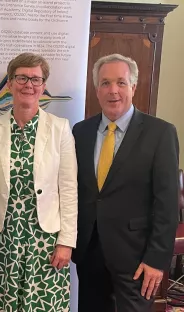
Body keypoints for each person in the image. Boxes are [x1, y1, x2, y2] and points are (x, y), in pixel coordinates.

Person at [72, 53, 179, 312]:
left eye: (121, 82)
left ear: (133, 87)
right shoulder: (81, 132)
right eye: (105, 83)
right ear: (97, 90)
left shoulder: (160, 133)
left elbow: (167, 203)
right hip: (89, 253)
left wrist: (156, 259)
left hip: (137, 257)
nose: (113, 91)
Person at [0, 52, 78, 312]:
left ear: (43, 86)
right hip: (4, 235)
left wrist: (66, 241)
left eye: (35, 79)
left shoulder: (60, 128)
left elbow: (68, 189)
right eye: (21, 78)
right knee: (4, 305)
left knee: (44, 306)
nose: (28, 85)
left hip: (46, 239)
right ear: (9, 84)